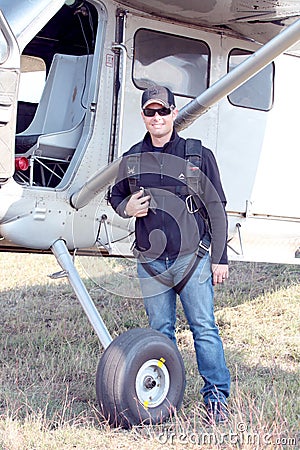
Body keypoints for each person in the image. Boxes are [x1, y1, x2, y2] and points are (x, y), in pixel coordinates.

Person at [109, 85, 231, 424]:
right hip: (151, 263)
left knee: (204, 329)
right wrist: (126, 207)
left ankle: (217, 399)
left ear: (174, 113)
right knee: (160, 331)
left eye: (163, 111)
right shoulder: (132, 158)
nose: (157, 117)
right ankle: (168, 394)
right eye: (150, 112)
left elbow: (218, 208)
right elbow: (115, 196)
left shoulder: (196, 155)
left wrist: (220, 258)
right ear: (144, 117)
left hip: (192, 259)